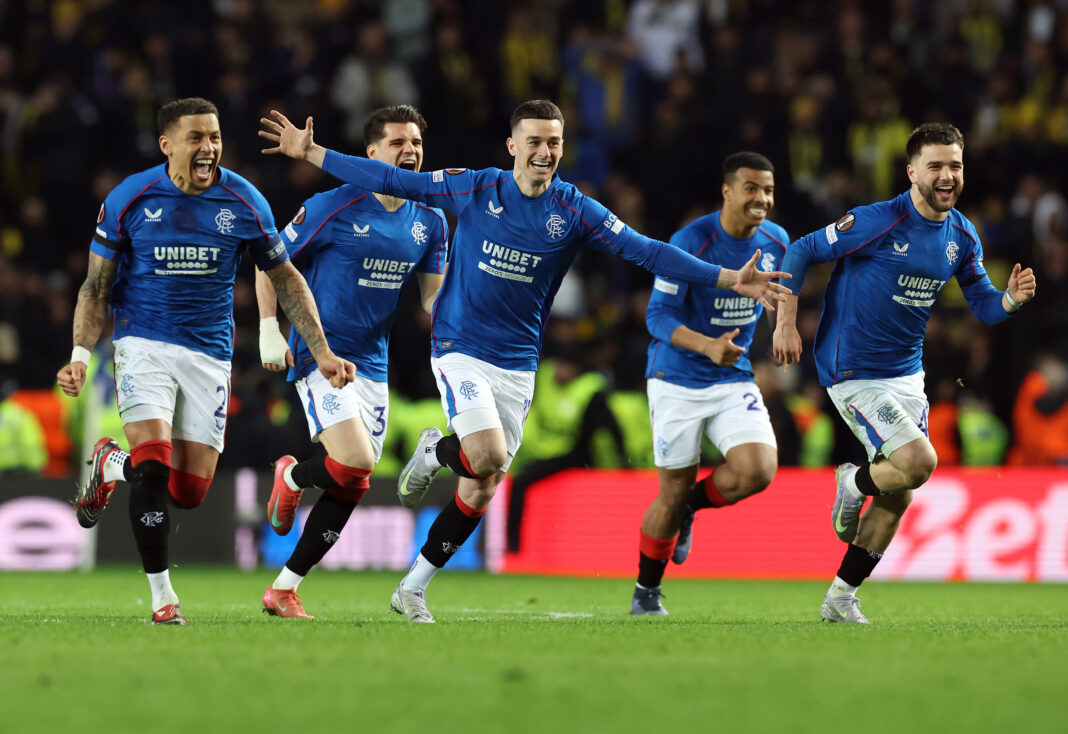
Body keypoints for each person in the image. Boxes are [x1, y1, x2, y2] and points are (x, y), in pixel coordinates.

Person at [260, 99, 791, 623]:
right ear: (513, 145)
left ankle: (413, 586)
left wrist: (728, 278)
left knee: (483, 484)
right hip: (459, 348)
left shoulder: (575, 209)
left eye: (553, 142)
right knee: (486, 454)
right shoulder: (477, 185)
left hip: (517, 362)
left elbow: (646, 250)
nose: (544, 151)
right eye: (534, 141)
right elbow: (401, 183)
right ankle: (437, 453)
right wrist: (314, 153)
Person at [56, 98, 355, 626]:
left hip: (209, 355)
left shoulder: (244, 200)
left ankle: (110, 463)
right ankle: (162, 599)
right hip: (142, 343)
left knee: (189, 492)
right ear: (167, 144)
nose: (209, 148)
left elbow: (285, 277)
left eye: (215, 137)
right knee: (152, 465)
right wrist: (80, 355)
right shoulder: (130, 198)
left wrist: (322, 350)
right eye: (196, 138)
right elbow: (95, 286)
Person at [772, 122, 1037, 623]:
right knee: (919, 461)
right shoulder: (876, 221)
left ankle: (841, 598)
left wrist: (1010, 300)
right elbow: (803, 249)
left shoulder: (961, 234)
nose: (946, 176)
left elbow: (982, 304)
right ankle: (852, 483)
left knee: (901, 491)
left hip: (905, 375)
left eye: (954, 165)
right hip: (852, 367)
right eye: (935, 165)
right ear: (912, 171)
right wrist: (785, 321)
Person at [255, 104, 447, 619]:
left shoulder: (430, 220)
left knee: (353, 479)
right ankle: (293, 481)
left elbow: (432, 300)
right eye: (398, 144)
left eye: (417, 144)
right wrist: (269, 328)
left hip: (373, 364)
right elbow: (269, 259)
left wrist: (469, 312)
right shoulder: (334, 205)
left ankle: (285, 585)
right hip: (321, 351)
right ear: (371, 153)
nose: (410, 152)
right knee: (357, 461)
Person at [632, 151, 788, 615]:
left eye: (768, 190)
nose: (762, 198)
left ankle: (691, 510)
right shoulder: (692, 241)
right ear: (727, 191)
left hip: (731, 376)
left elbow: (785, 293)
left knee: (758, 469)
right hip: (676, 377)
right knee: (671, 491)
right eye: (751, 188)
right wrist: (706, 345)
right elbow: (656, 315)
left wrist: (784, 328)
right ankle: (647, 592)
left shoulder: (777, 241)